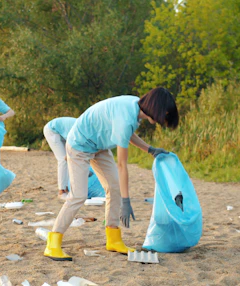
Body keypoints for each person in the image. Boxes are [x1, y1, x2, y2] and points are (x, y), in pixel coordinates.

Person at [44, 87, 179, 261]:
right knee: (78, 195)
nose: (165, 117)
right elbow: (122, 165)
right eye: (165, 113)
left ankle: (113, 239)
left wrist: (150, 150)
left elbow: (128, 134)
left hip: (99, 146)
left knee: (113, 188)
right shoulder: (127, 117)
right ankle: (53, 242)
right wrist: (126, 201)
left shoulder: (135, 109)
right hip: (79, 144)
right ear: (156, 108)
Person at [43, 117, 76, 199]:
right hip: (51, 130)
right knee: (63, 159)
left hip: (62, 133)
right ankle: (61, 191)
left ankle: (67, 188)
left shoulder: (84, 129)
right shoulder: (79, 131)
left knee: (69, 159)